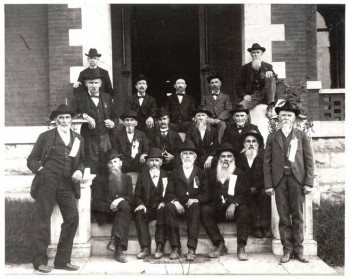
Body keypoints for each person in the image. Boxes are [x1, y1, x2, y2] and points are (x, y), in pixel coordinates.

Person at [27, 104, 85, 273]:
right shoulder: (45, 137)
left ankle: (62, 261)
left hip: (67, 184)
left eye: (67, 117)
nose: (64, 120)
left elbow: (81, 160)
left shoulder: (78, 139)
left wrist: (79, 171)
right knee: (42, 221)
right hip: (47, 183)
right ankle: (39, 262)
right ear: (55, 120)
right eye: (61, 118)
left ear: (72, 120)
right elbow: (31, 159)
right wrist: (42, 171)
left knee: (72, 218)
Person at [264, 101, 314, 263]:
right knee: (284, 216)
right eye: (283, 115)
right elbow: (267, 162)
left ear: (294, 118)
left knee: (298, 215)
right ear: (278, 118)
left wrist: (308, 182)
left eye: (289, 115)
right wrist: (269, 184)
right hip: (279, 181)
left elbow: (309, 160)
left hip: (297, 180)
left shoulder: (302, 136)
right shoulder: (272, 137)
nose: (285, 118)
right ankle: (287, 250)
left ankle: (299, 250)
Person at [200, 143, 250, 261]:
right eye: (223, 156)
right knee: (205, 210)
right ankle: (219, 244)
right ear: (219, 158)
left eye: (229, 156)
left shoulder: (240, 174)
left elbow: (245, 194)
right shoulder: (212, 174)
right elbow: (206, 193)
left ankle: (241, 246)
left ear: (233, 158)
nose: (226, 159)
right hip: (218, 209)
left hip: (234, 210)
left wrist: (234, 204)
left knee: (244, 209)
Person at [164, 140, 210, 261]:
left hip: (193, 207)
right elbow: (168, 193)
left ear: (195, 157)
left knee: (195, 207)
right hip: (178, 206)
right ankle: (175, 247)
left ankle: (191, 248)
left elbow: (206, 194)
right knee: (169, 207)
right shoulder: (174, 173)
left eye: (190, 154)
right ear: (181, 156)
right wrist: (175, 202)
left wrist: (196, 199)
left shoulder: (201, 173)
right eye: (185, 153)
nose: (188, 156)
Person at [70, 68, 118, 174]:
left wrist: (113, 123)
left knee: (107, 166)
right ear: (86, 84)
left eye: (96, 82)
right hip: (88, 139)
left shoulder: (107, 98)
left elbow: (115, 117)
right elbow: (71, 115)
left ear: (100, 84)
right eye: (90, 83)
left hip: (106, 138)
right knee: (90, 167)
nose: (94, 85)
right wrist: (84, 116)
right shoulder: (78, 98)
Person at [90, 149, 133, 263]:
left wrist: (118, 201)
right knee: (125, 208)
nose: (113, 165)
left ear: (120, 163)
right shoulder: (100, 179)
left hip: (121, 213)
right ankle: (118, 250)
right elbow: (95, 203)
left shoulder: (127, 179)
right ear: (107, 165)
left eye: (115, 161)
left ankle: (114, 241)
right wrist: (112, 206)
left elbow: (131, 198)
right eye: (110, 162)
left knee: (124, 206)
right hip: (106, 214)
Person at [133, 148, 170, 260]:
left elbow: (171, 192)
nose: (154, 163)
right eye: (152, 160)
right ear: (148, 162)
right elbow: (137, 195)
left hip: (160, 207)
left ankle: (159, 246)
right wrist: (141, 204)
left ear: (161, 162)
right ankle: (145, 248)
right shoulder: (143, 175)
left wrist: (164, 202)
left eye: (157, 160)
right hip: (147, 208)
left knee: (163, 211)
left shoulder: (166, 174)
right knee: (139, 212)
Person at [236, 130, 271, 238]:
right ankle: (255, 228)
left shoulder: (264, 156)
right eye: (248, 141)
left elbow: (268, 174)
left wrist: (256, 187)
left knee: (264, 195)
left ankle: (264, 227)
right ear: (244, 144)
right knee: (248, 198)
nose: (251, 144)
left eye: (254, 141)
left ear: (258, 144)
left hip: (261, 186)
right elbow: (237, 176)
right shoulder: (239, 158)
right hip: (245, 189)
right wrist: (248, 188)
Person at [237, 43, 277, 117]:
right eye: (253, 52)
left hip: (266, 94)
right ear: (251, 54)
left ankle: (270, 105)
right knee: (240, 108)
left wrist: (270, 73)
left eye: (258, 52)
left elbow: (275, 81)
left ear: (261, 54)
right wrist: (244, 95)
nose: (256, 54)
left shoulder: (268, 66)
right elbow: (239, 85)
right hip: (253, 95)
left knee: (271, 76)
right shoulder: (245, 68)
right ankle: (246, 127)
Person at [200, 73, 233, 144]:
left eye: (216, 82)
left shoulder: (225, 97)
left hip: (221, 120)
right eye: (212, 83)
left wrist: (219, 118)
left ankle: (219, 145)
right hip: (209, 119)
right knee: (204, 125)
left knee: (222, 124)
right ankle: (207, 146)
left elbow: (228, 109)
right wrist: (207, 118)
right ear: (209, 85)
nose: (214, 84)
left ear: (220, 84)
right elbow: (203, 109)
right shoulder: (205, 97)